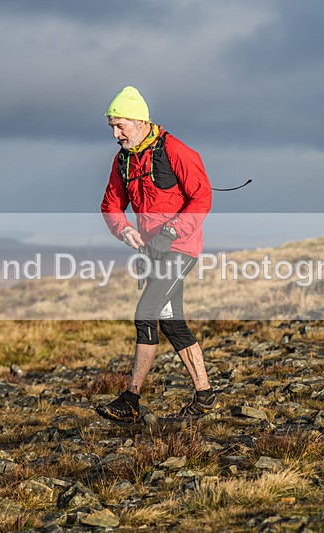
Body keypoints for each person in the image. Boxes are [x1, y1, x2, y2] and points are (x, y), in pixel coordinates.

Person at [97, 86, 219, 422]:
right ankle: (205, 395)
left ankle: (130, 399)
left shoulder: (177, 151)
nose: (115, 134)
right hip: (152, 251)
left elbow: (202, 200)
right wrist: (125, 231)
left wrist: (171, 233)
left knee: (145, 313)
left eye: (120, 125)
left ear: (139, 121)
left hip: (181, 248)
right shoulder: (124, 160)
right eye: (111, 127)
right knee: (171, 322)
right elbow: (110, 206)